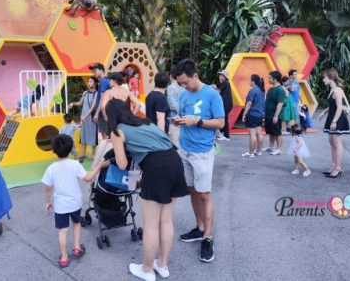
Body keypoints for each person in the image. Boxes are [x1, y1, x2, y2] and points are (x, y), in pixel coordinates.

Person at [105, 99, 188, 281]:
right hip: (175, 162)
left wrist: (116, 144)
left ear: (111, 116)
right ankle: (162, 265)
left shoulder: (117, 130)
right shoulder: (145, 121)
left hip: (156, 168)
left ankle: (147, 269)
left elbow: (122, 163)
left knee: (150, 225)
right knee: (166, 220)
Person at [172, 59, 225, 263]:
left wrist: (198, 122)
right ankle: (199, 227)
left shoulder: (212, 95)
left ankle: (208, 237)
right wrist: (179, 120)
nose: (183, 87)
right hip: (184, 149)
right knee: (192, 190)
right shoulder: (184, 93)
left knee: (204, 195)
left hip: (202, 152)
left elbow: (220, 122)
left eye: (185, 82)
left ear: (195, 75)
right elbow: (182, 114)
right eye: (180, 84)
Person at [42, 134, 106, 268]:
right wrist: (99, 166)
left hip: (60, 206)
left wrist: (47, 201)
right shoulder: (74, 164)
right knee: (76, 224)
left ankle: (64, 258)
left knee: (63, 231)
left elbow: (48, 188)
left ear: (53, 150)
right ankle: (77, 248)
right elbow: (88, 178)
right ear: (70, 149)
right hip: (75, 202)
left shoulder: (51, 168)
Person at [318, 69, 350, 178]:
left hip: (337, 118)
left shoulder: (336, 90)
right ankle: (333, 165)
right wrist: (324, 112)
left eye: (325, 78)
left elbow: (340, 107)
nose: (323, 80)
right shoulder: (332, 90)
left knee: (337, 142)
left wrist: (334, 121)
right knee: (332, 141)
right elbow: (333, 105)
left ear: (330, 78)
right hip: (332, 116)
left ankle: (338, 168)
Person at [68, 76, 98, 160]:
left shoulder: (96, 94)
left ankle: (93, 153)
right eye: (89, 81)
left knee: (92, 134)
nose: (89, 83)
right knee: (83, 134)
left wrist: (84, 116)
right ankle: (83, 153)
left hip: (90, 117)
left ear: (95, 84)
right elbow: (80, 103)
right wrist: (73, 104)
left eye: (91, 81)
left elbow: (92, 107)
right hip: (83, 117)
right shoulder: (85, 93)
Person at [241, 75, 266, 158]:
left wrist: (244, 114)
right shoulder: (261, 91)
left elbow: (249, 103)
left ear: (253, 81)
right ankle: (258, 151)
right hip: (260, 114)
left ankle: (251, 153)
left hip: (252, 114)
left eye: (250, 80)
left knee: (252, 134)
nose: (249, 82)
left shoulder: (253, 90)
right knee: (259, 133)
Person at [262, 71, 285, 156]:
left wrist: (276, 116)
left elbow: (280, 103)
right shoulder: (271, 89)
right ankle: (271, 147)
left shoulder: (280, 90)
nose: (268, 79)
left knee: (277, 132)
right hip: (268, 114)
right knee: (271, 132)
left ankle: (279, 149)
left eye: (270, 78)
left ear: (275, 79)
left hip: (275, 116)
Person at [90, 63, 111, 137]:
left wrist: (97, 113)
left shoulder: (104, 81)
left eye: (95, 70)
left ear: (101, 70)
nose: (94, 72)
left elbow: (102, 99)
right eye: (93, 71)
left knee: (105, 137)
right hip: (106, 112)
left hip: (103, 113)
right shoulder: (106, 80)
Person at [166, 68, 183, 145]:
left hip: (173, 119)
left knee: (174, 143)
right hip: (182, 118)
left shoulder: (170, 88)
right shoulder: (182, 88)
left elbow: (172, 105)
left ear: (171, 76)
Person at [216, 70, 233, 141]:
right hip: (227, 103)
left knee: (224, 119)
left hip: (226, 103)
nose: (219, 76)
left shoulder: (225, 82)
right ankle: (223, 134)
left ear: (224, 76)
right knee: (224, 118)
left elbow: (218, 91)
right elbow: (216, 87)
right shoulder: (224, 83)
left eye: (221, 75)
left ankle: (226, 136)